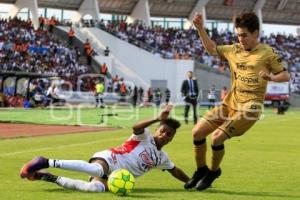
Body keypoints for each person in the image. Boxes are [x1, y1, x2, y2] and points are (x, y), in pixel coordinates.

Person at [184, 12, 290, 191]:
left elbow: (286, 75)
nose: (240, 39)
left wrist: (271, 77)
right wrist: (200, 28)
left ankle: (213, 171)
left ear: (256, 33)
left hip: (251, 107)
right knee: (197, 132)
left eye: (244, 35)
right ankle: (201, 170)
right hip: (229, 104)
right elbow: (211, 49)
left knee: (217, 138)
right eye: (238, 35)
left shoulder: (268, 53)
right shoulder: (233, 50)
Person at [20, 105, 190, 192]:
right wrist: (156, 118)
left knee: (92, 189)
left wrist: (191, 182)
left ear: (172, 138)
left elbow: (175, 171)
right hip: (111, 159)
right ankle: (46, 161)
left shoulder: (162, 158)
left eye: (169, 134)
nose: (164, 135)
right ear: (157, 130)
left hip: (116, 178)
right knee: (95, 170)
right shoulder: (145, 136)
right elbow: (136, 126)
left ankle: (46, 177)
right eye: (162, 131)